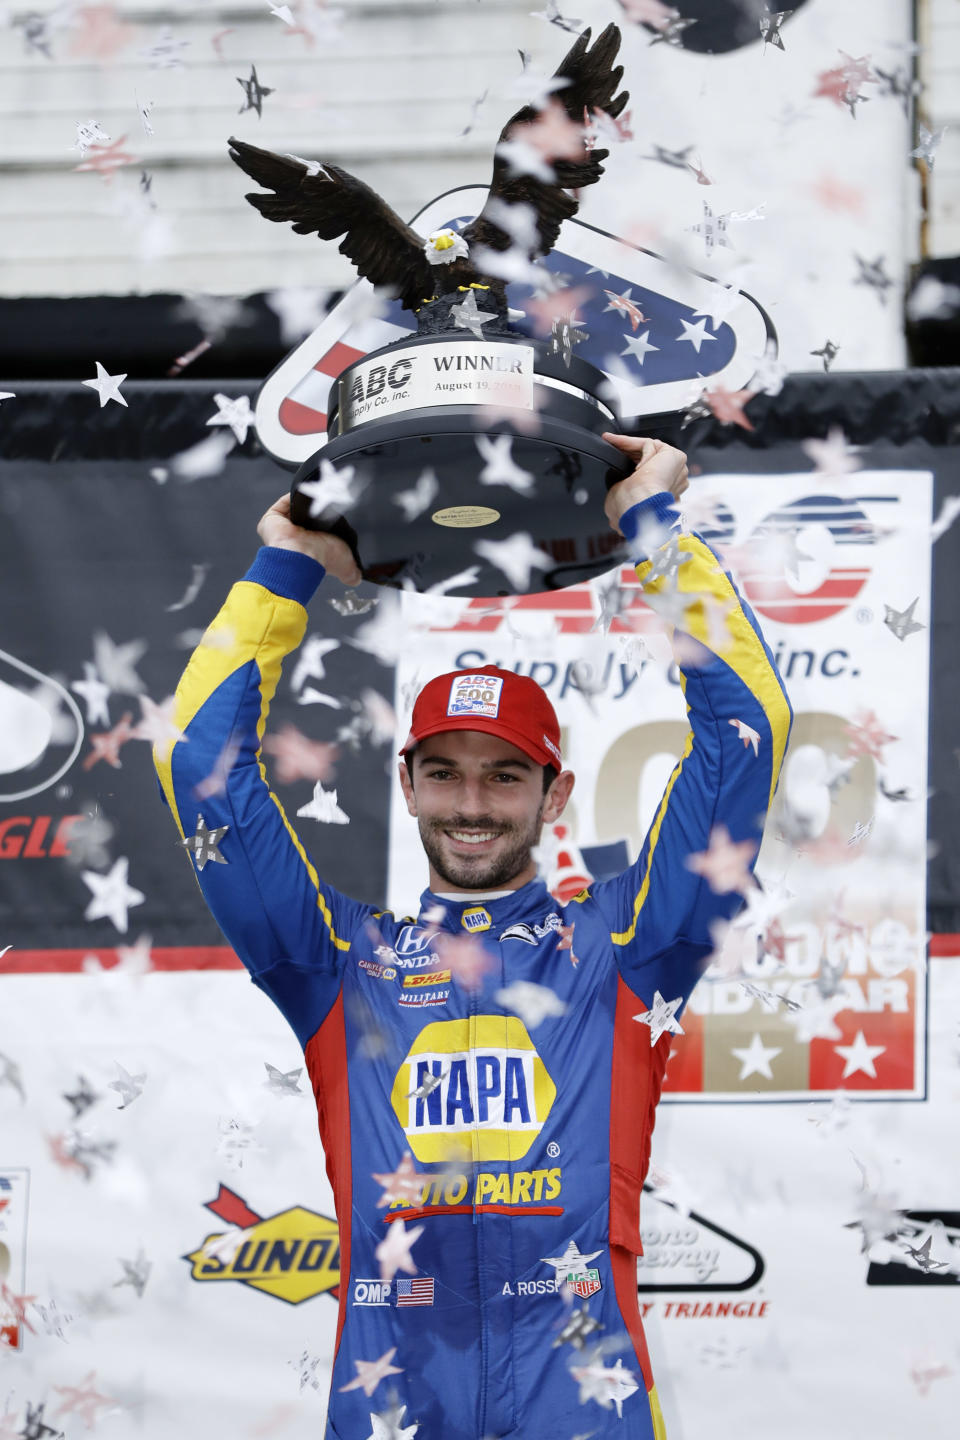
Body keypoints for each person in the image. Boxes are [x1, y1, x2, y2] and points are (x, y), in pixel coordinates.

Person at [154, 433, 792, 1440]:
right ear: (406, 785)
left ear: (555, 795)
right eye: (445, 771)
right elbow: (203, 768)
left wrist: (657, 531)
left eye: (505, 775)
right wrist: (288, 565)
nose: (473, 804)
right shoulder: (336, 962)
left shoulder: (628, 948)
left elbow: (745, 733)